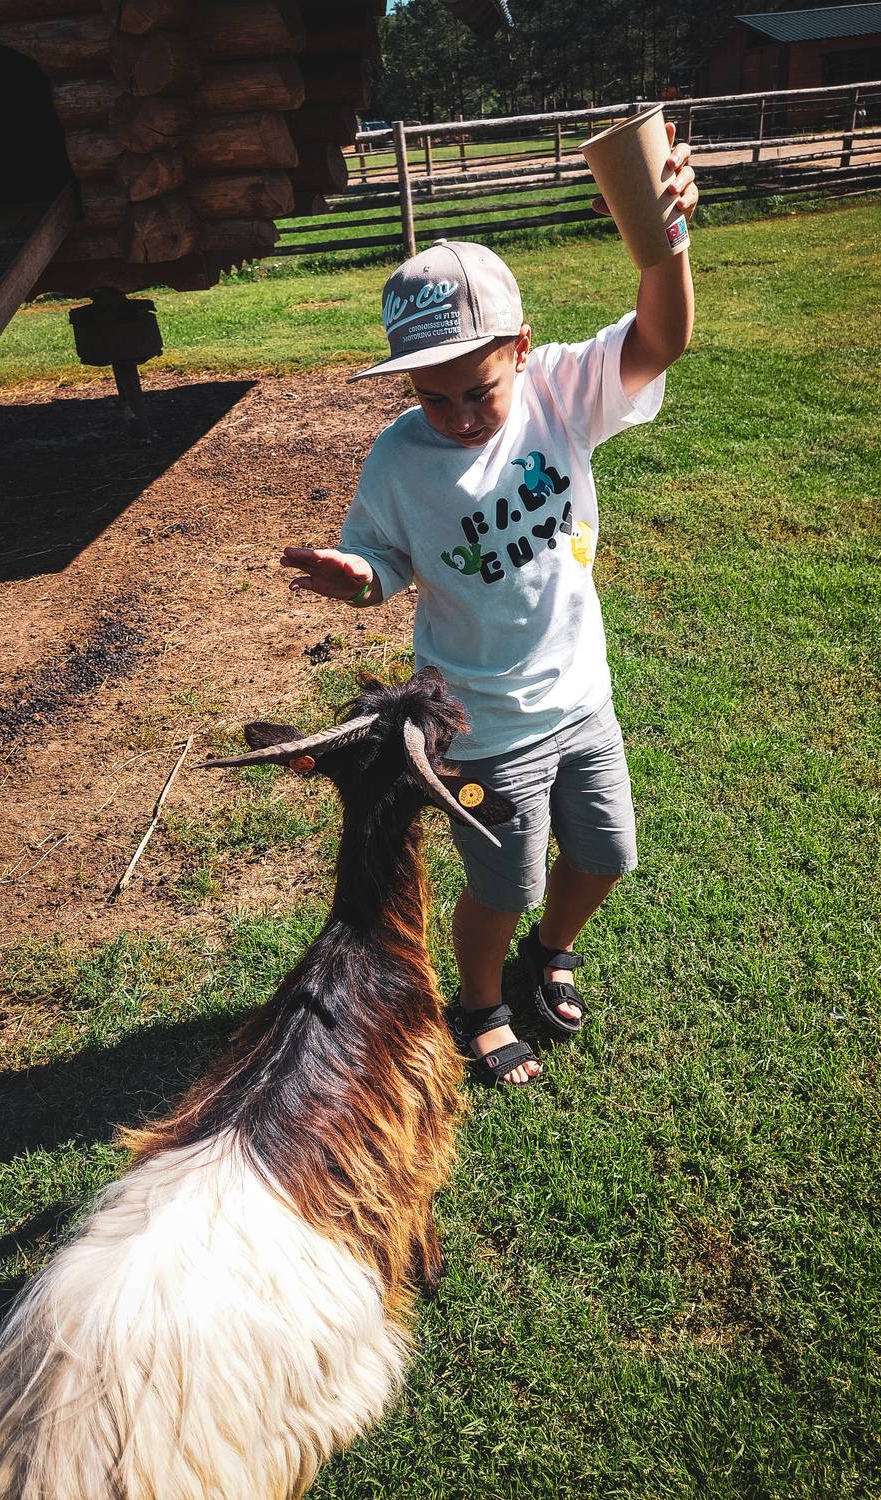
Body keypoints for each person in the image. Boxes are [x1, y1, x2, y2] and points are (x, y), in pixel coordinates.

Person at [281, 127, 697, 1087]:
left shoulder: (559, 395)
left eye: (479, 391)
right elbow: (382, 557)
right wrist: (359, 577)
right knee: (503, 883)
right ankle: (479, 1002)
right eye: (434, 398)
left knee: (607, 855)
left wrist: (665, 241)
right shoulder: (398, 457)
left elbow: (661, 338)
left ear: (520, 348)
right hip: (478, 725)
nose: (461, 418)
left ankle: (550, 951)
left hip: (581, 698)